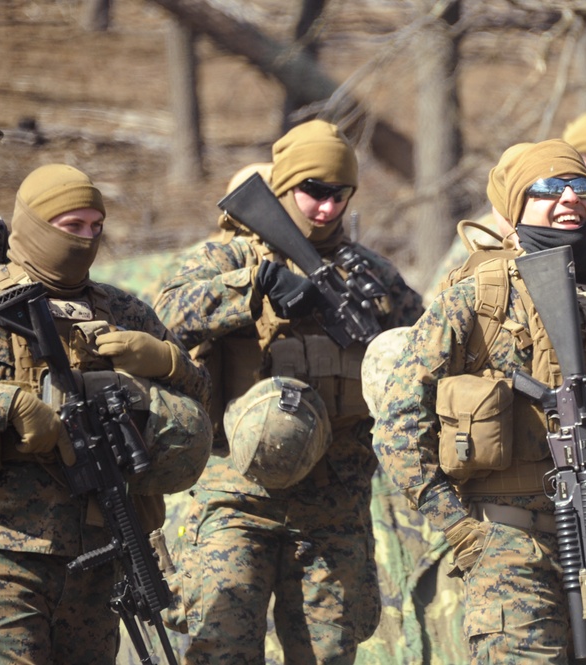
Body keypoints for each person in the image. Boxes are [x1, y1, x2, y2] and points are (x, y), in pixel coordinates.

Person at [372, 139, 586, 663]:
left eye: (582, 188)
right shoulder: (478, 295)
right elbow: (398, 423)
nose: (570, 199)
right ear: (515, 205)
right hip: (511, 551)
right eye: (549, 189)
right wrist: (462, 531)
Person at [153, 119, 424, 664]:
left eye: (338, 195)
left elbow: (426, 350)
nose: (325, 207)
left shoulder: (372, 278)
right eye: (312, 192)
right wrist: (253, 289)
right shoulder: (229, 259)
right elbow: (163, 315)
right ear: (281, 189)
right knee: (220, 649)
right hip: (235, 498)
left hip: (334, 505)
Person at [0, 164, 212, 664]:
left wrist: (166, 360)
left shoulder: (122, 310)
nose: (86, 240)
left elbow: (200, 398)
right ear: (32, 224)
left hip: (100, 553)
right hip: (9, 555)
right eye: (72, 227)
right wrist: (11, 404)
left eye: (97, 227)